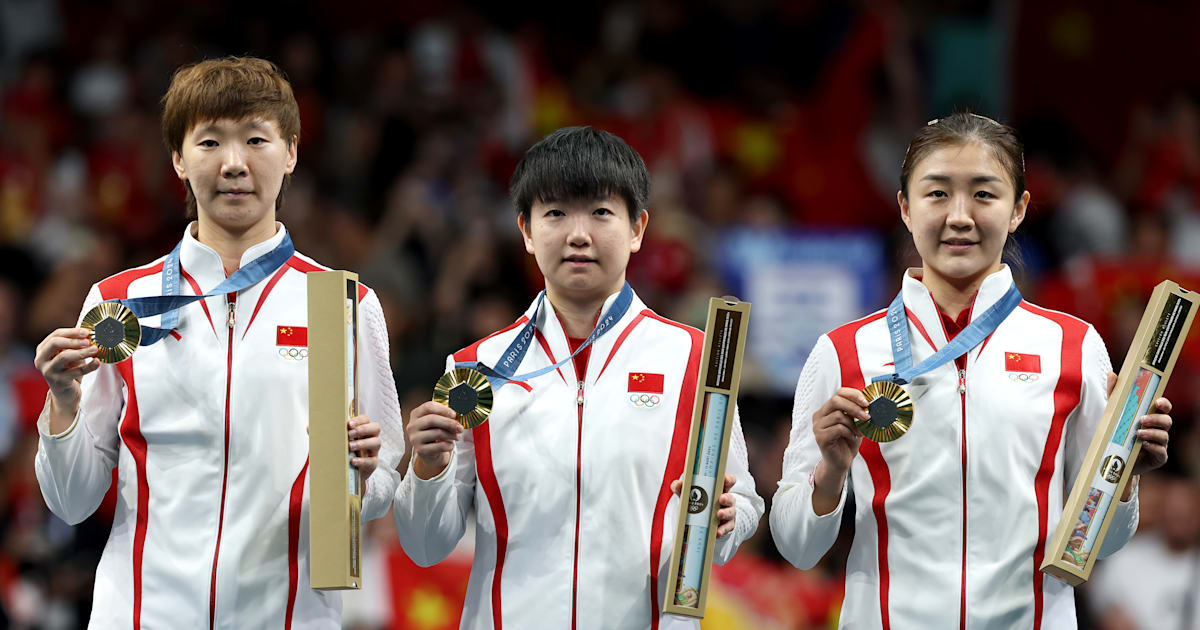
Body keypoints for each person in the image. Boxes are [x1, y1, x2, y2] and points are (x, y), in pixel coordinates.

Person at [32, 56, 405, 629]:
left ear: (292, 153)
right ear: (179, 159)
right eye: (209, 142)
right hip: (141, 615)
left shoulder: (343, 307)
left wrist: (363, 475)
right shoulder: (117, 304)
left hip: (288, 617)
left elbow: (380, 488)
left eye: (256, 139)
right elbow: (72, 502)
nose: (234, 163)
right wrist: (62, 404)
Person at [769, 113, 1175, 629]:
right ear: (905, 208)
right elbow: (798, 548)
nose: (960, 216)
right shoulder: (844, 351)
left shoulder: (1073, 347)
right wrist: (829, 472)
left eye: (984, 195)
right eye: (937, 193)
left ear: (1018, 210)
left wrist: (1123, 473)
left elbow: (1101, 542)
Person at [394, 126, 764, 629]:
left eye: (601, 212)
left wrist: (725, 519)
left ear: (638, 229)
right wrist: (427, 469)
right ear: (525, 230)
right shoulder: (472, 369)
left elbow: (739, 505)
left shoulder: (694, 360)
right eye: (555, 213)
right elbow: (423, 546)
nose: (578, 234)